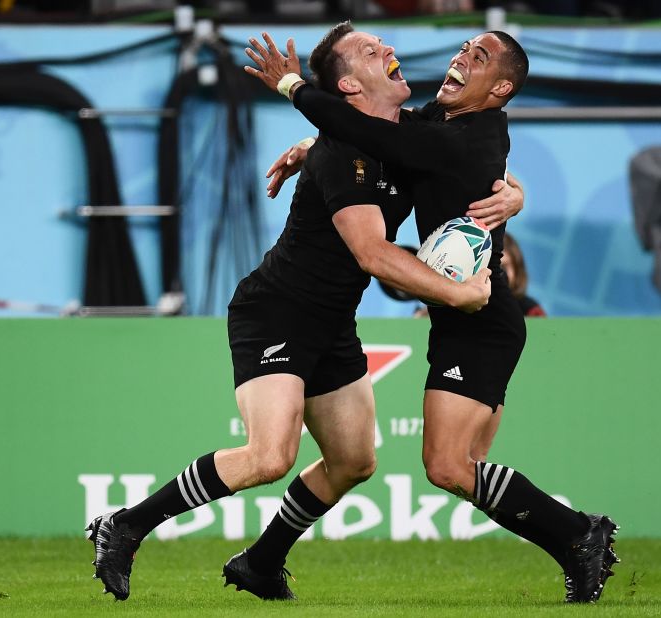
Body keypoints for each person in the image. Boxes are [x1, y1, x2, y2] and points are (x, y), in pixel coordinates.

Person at [85, 24, 524, 603]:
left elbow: (457, 156)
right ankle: (127, 525)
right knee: (271, 456)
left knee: (354, 461)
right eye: (372, 51)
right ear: (347, 83)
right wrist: (458, 294)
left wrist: (516, 194)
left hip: (332, 324)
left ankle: (262, 564)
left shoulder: (401, 134)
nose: (390, 51)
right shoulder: (345, 153)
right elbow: (373, 253)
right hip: (277, 313)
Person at [246, 26, 619, 603]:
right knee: (455, 466)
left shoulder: (468, 139)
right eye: (464, 48)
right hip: (458, 317)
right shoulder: (439, 125)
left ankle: (579, 534)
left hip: (483, 319)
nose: (462, 57)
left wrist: (293, 85)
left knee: (448, 467)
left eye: (480, 57)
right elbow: (368, 131)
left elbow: (372, 134)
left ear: (498, 91)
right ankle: (577, 540)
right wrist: (312, 148)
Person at [502, 232, 546, 317]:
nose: (494, 273)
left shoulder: (531, 311)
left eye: (503, 267)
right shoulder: (469, 307)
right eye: (489, 267)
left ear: (517, 268)